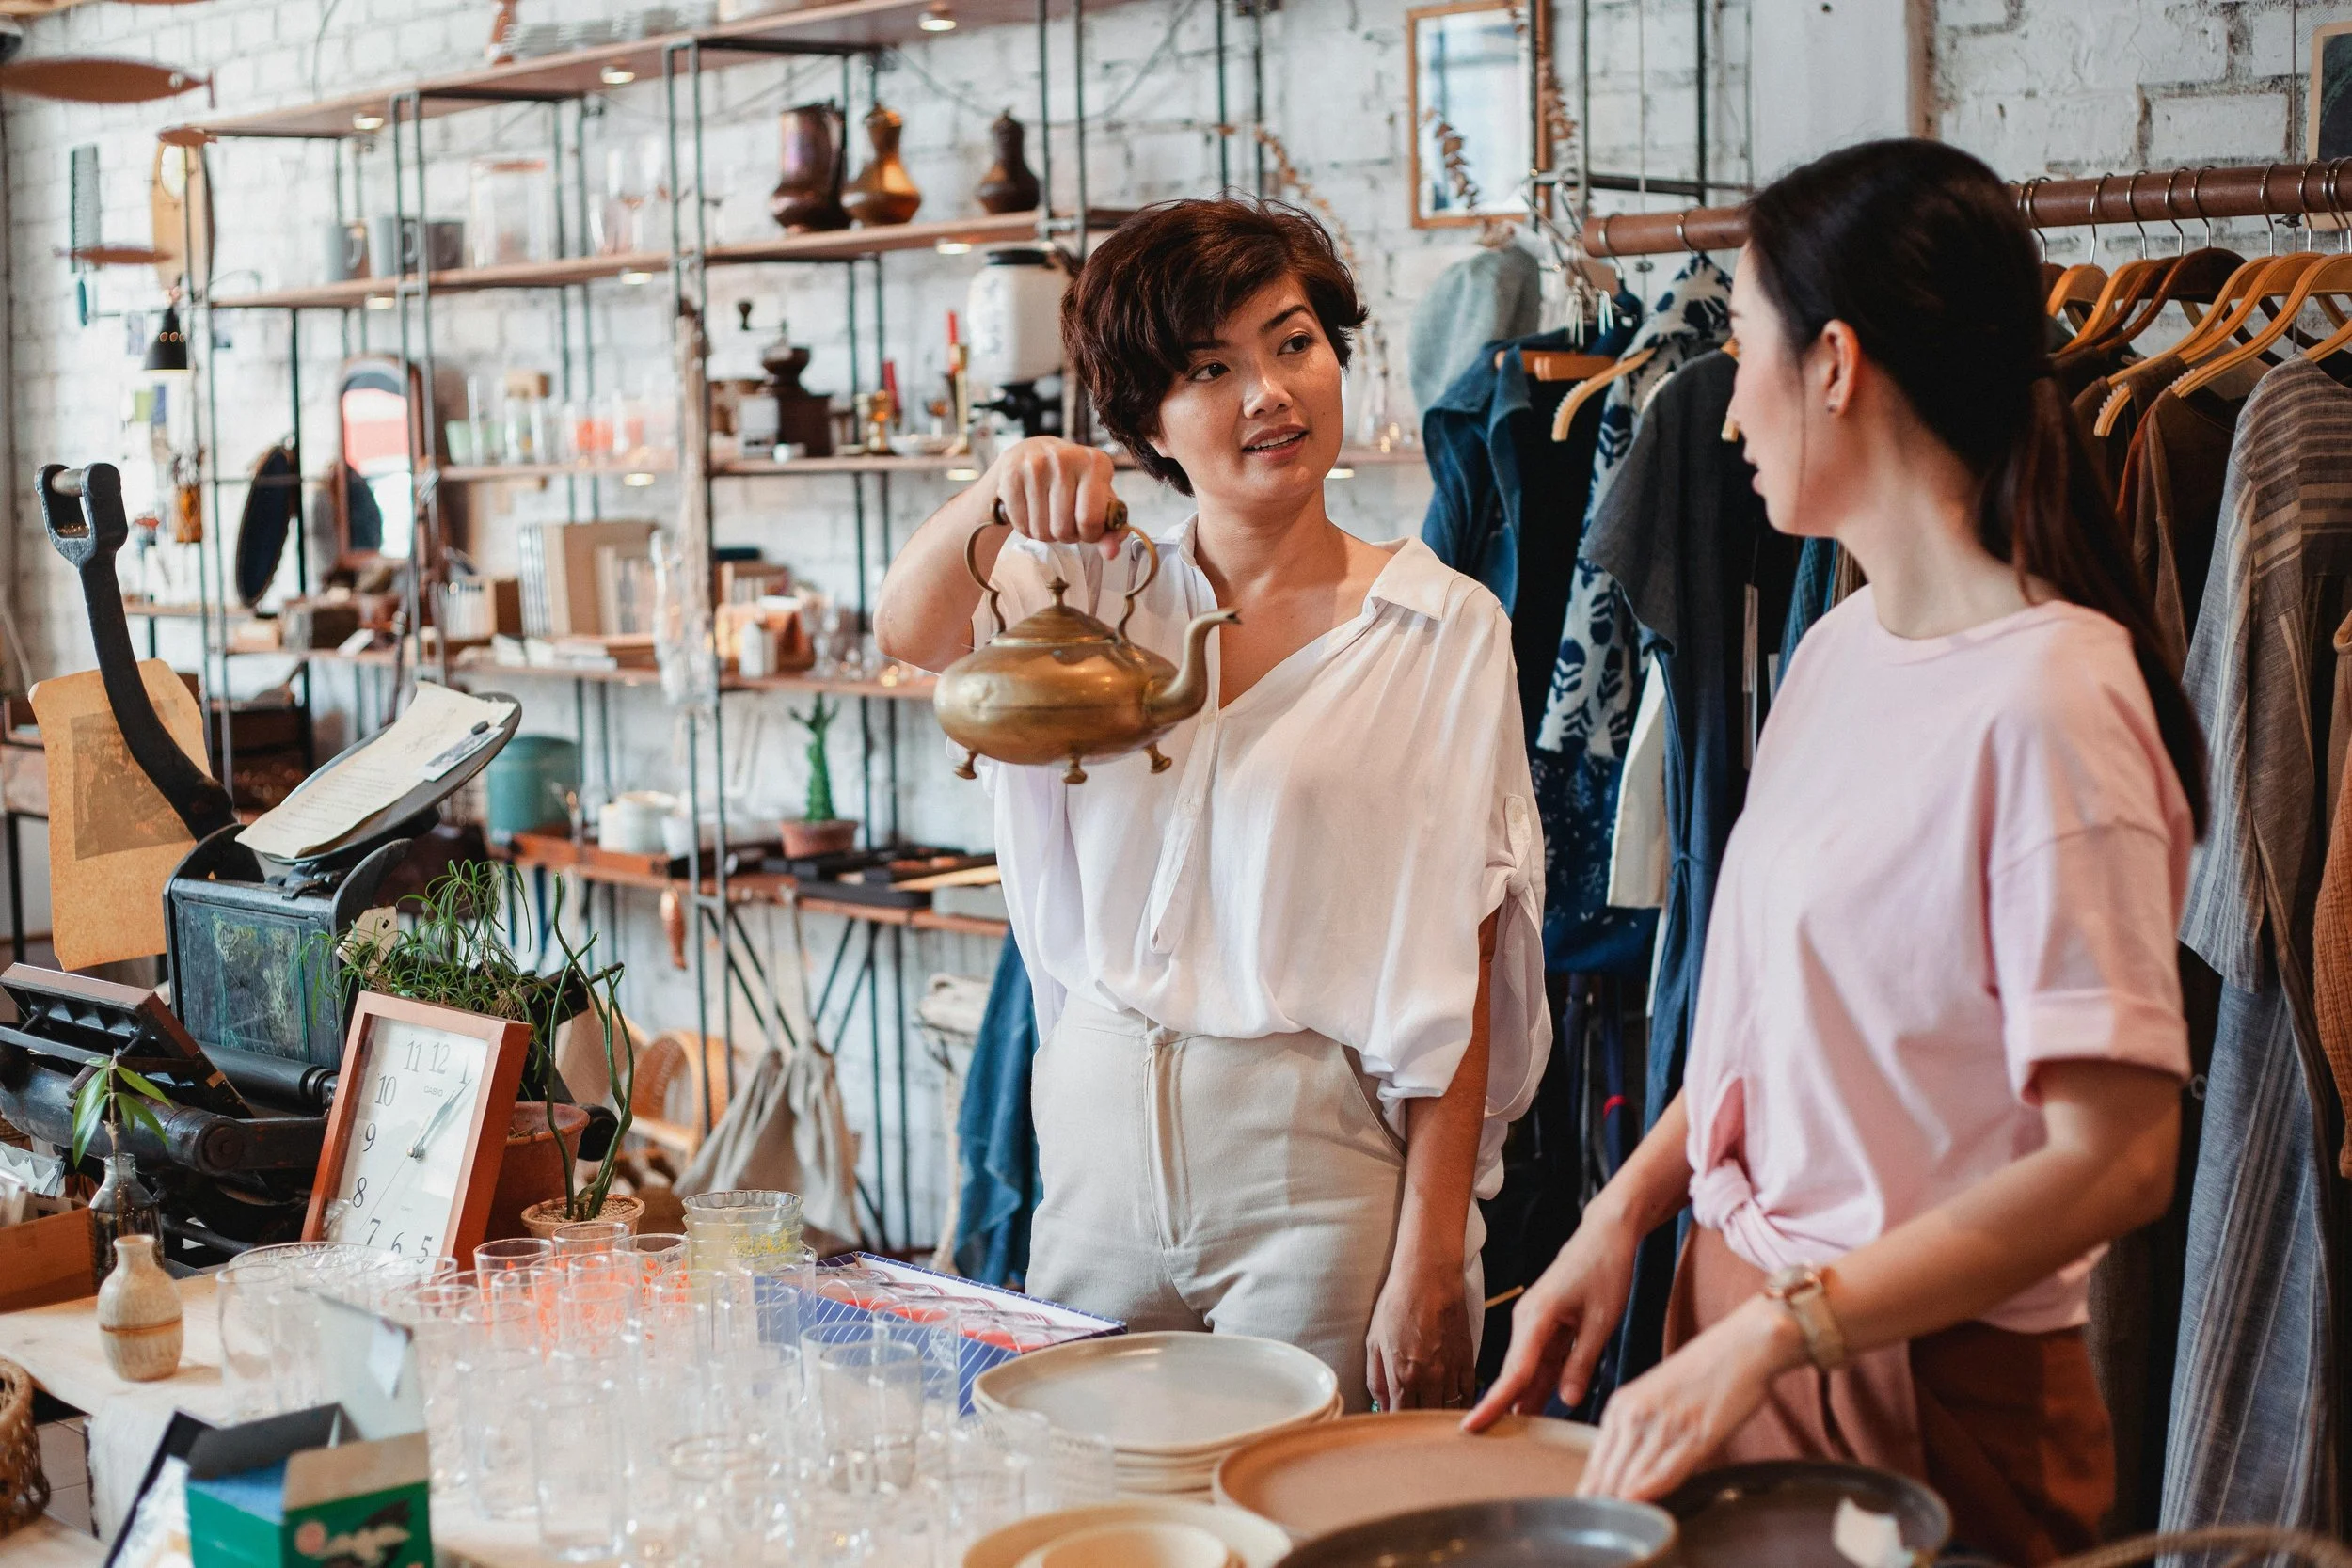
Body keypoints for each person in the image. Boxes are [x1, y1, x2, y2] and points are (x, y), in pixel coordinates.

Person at [1465, 139, 2204, 1564]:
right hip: (1733, 1320)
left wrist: (1789, 1333)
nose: (1723, 401)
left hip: (1922, 1376)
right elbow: (1769, 1041)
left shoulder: (2056, 695)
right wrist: (1620, 1217)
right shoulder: (1838, 645)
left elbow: (2119, 1160)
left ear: (1837, 363)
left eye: (1741, 346)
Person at [876, 198, 1549, 1412]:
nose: (1270, 394)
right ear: (1147, 419)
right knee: (1091, 1507)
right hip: (1091, 1130)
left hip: (1315, 1154)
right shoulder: (1086, 591)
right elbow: (913, 630)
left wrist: (1432, 1252)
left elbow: (1472, 943)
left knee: (1303, 1521)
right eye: (1210, 368)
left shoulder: (1441, 625)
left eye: (1294, 344)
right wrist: (1000, 486)